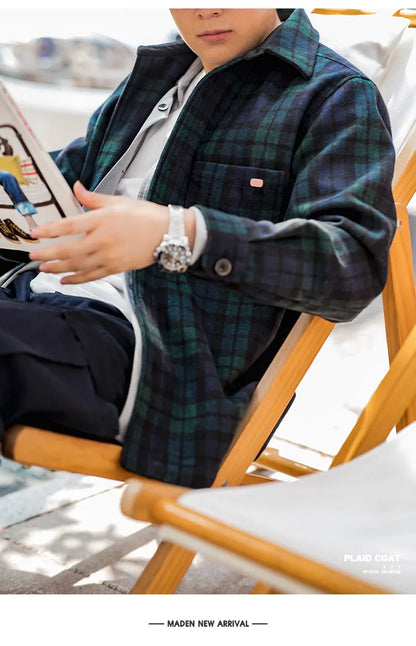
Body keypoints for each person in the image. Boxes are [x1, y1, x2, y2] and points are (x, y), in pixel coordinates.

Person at [0, 9, 396, 487]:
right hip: (30, 293)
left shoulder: (333, 96)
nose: (204, 9)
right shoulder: (155, 80)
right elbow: (56, 187)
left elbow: (351, 266)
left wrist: (178, 234)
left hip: (153, 355)